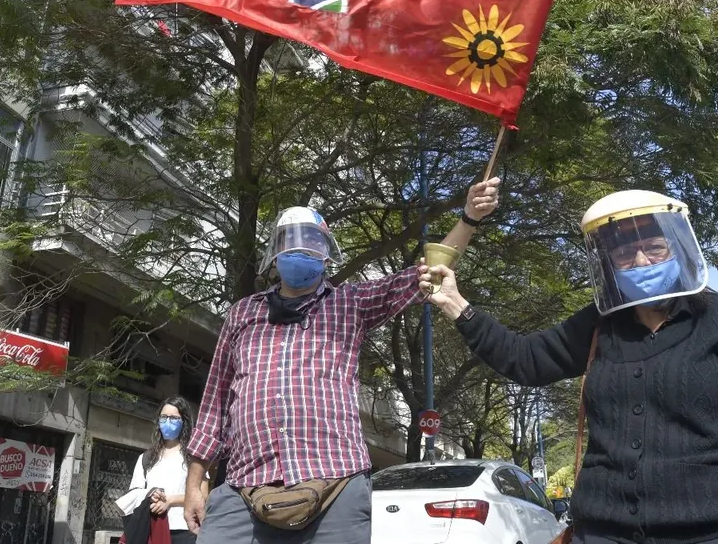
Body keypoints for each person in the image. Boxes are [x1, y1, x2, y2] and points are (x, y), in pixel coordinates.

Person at [421, 189, 718, 544]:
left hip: (715, 530)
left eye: (655, 247)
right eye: (626, 254)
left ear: (677, 249)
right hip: (605, 531)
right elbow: (526, 361)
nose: (641, 260)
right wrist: (458, 305)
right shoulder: (598, 323)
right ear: (609, 265)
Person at [184, 178, 500, 544]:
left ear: (326, 253)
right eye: (290, 241)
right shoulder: (241, 314)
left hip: (337, 483)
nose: (300, 249)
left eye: (312, 241)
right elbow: (215, 403)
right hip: (243, 486)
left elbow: (430, 274)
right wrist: (195, 482)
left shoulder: (350, 303)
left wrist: (470, 218)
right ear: (275, 252)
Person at [127, 397, 208, 544]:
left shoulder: (195, 458)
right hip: (151, 528)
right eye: (164, 417)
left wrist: (170, 500)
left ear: (184, 422)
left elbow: (203, 495)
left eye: (174, 418)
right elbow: (134, 493)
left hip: (185, 530)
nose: (168, 422)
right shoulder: (146, 458)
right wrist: (151, 495)